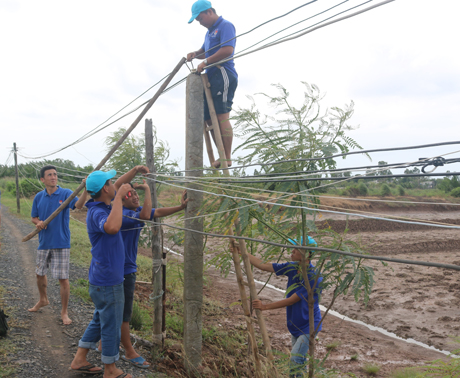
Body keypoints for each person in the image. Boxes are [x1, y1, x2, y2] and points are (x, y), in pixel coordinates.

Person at [104, 165, 188, 369]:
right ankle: (129, 351)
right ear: (121, 198)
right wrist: (148, 189)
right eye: (130, 193)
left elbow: (156, 211)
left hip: (124, 268)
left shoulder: (129, 212)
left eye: (136, 193)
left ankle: (103, 343)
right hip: (121, 270)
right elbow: (147, 213)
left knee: (111, 311)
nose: (135, 196)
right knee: (124, 314)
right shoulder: (124, 214)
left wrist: (181, 207)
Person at [70, 170, 133, 377]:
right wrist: (120, 197)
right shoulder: (97, 212)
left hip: (102, 279)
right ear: (106, 189)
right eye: (111, 182)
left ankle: (79, 359)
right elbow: (113, 227)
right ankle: (110, 369)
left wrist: (130, 177)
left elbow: (118, 187)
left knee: (100, 319)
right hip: (107, 281)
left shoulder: (103, 205)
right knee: (111, 325)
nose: (115, 184)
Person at [245, 237, 323, 377]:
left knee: (295, 358)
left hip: (309, 325)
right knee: (299, 361)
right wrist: (242, 252)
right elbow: (265, 266)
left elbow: (292, 300)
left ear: (308, 254)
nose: (292, 251)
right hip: (295, 323)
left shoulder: (313, 277)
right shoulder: (293, 267)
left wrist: (265, 306)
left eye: (296, 249)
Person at [29, 165, 87, 325]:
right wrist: (39, 222)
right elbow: (34, 217)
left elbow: (79, 206)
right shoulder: (39, 197)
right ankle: (43, 299)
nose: (53, 177)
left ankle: (64, 312)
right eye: (49, 175)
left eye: (55, 174)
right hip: (44, 242)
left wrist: (85, 190)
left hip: (61, 243)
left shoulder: (66, 193)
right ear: (42, 179)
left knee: (63, 278)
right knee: (39, 274)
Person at [187, 0, 238, 169]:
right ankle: (221, 154)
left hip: (222, 73)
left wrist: (206, 61)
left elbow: (227, 50)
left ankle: (227, 156)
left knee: (222, 116)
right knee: (209, 119)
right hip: (211, 77)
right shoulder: (209, 33)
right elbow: (204, 52)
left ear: (209, 12)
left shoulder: (225, 26)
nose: (200, 23)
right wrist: (195, 54)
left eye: (200, 19)